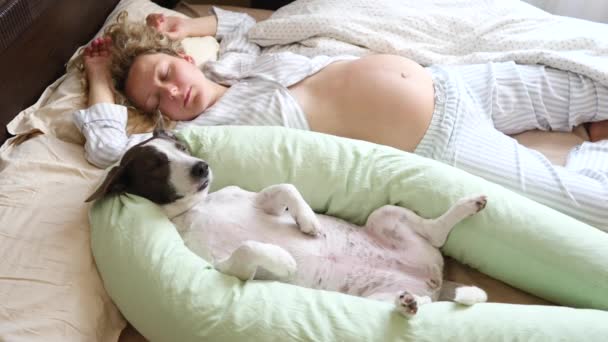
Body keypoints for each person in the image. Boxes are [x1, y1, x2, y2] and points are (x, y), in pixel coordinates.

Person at [73, 8, 608, 231]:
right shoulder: (203, 138)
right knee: (593, 210)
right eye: (157, 97)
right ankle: (590, 152)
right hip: (437, 139)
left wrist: (192, 20)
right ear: (155, 115)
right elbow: (106, 148)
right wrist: (99, 76)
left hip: (447, 83)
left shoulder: (234, 62)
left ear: (184, 57)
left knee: (595, 78)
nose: (171, 90)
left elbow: (244, 23)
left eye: (166, 71)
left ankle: (587, 133)